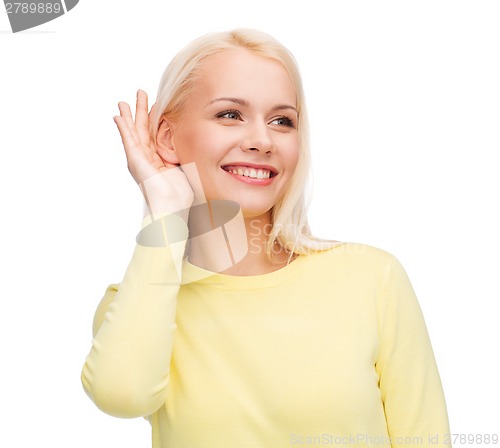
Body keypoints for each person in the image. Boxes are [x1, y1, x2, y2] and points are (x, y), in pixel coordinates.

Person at [81, 29, 451, 448]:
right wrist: (165, 211)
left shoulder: (371, 278)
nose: (261, 141)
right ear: (166, 137)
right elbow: (120, 396)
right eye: (230, 114)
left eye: (282, 121)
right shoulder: (141, 300)